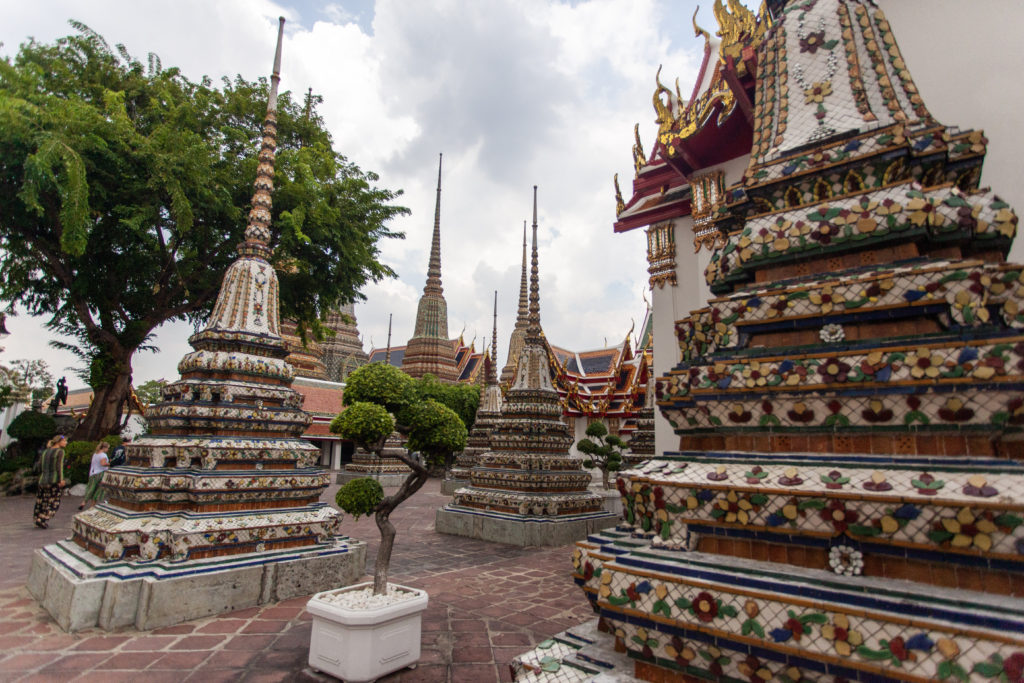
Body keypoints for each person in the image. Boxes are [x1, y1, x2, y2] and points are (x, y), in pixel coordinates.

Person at [33, 435, 67, 529]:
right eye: (64, 441)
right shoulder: (60, 452)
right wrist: (61, 479)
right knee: (53, 501)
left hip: (43, 480)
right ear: (58, 442)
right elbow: (59, 466)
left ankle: (37, 518)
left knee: (42, 500)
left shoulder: (45, 451)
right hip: (53, 480)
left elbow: (39, 466)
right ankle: (42, 518)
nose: (66, 443)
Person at [80, 442, 110, 510]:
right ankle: (92, 506)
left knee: (90, 488)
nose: (108, 450)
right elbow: (103, 464)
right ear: (104, 448)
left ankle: (84, 502)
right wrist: (109, 463)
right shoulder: (103, 455)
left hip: (92, 473)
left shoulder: (95, 454)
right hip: (100, 473)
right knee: (98, 490)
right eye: (107, 448)